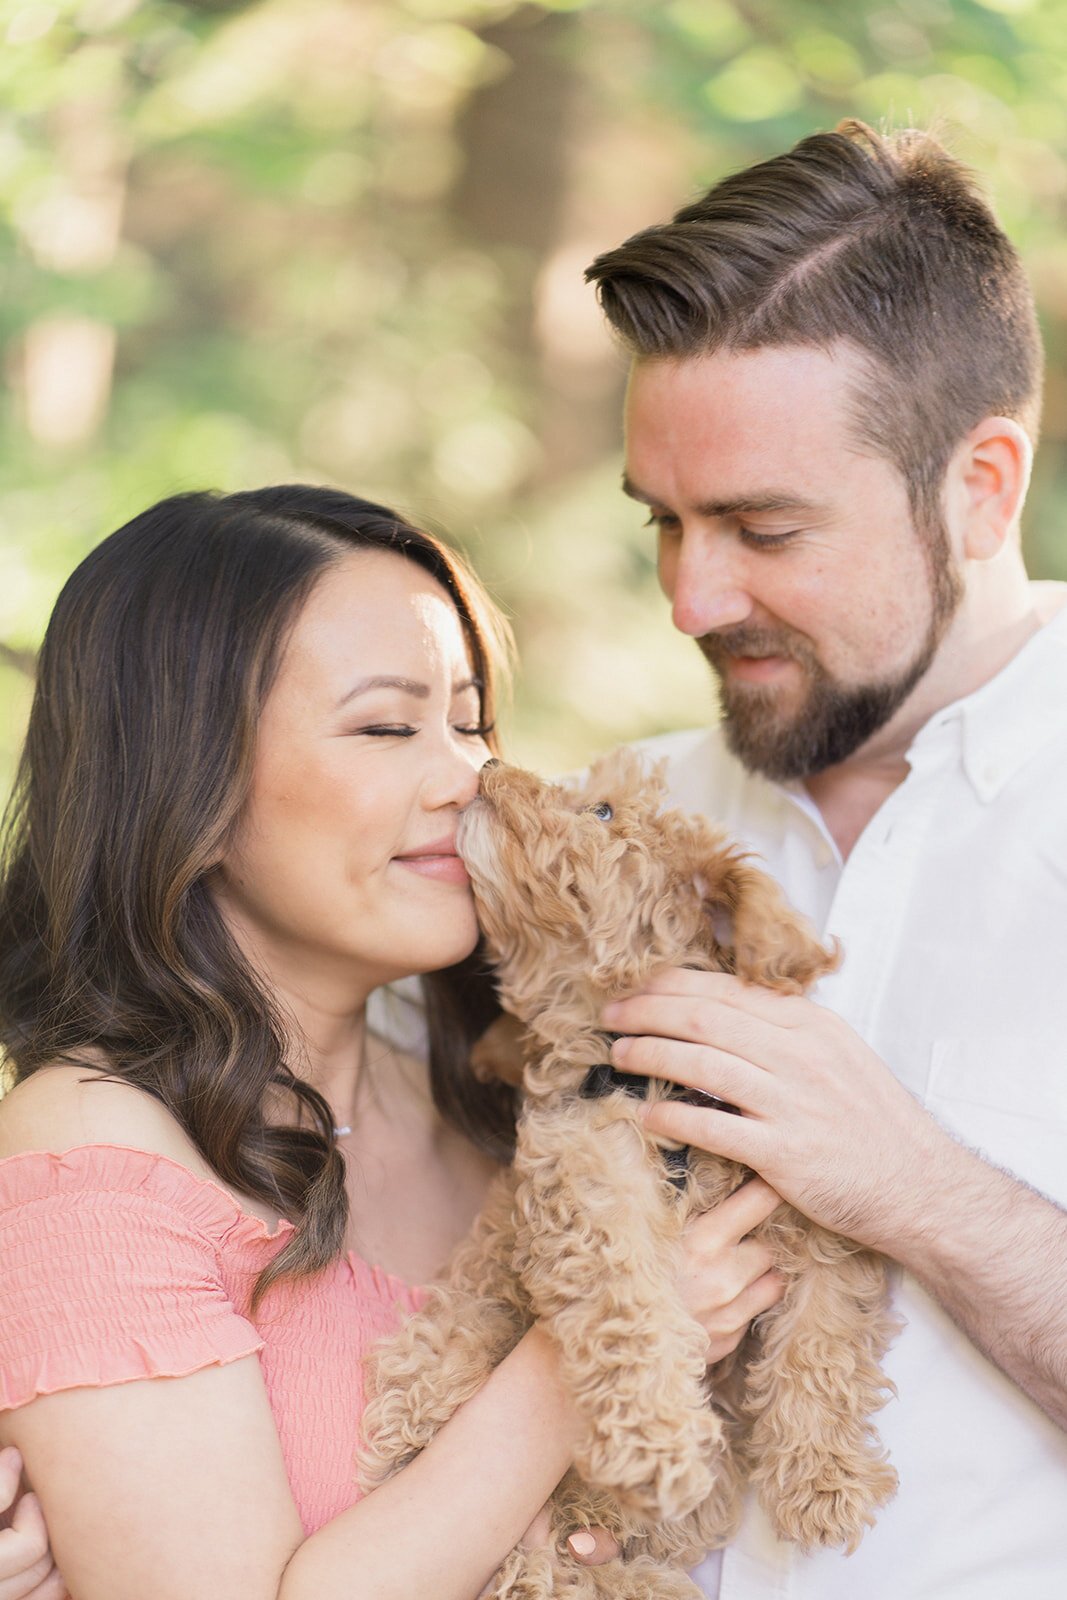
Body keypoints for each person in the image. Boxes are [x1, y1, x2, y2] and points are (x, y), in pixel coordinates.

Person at [0, 484, 784, 1600]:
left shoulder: (490, 1103)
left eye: (469, 722)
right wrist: (587, 1357)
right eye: (385, 726)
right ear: (191, 784)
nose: (471, 777)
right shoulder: (94, 1164)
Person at [582, 120, 1067, 1598]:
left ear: (980, 484)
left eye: (759, 527)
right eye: (660, 524)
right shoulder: (609, 828)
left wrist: (908, 1183)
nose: (688, 598)